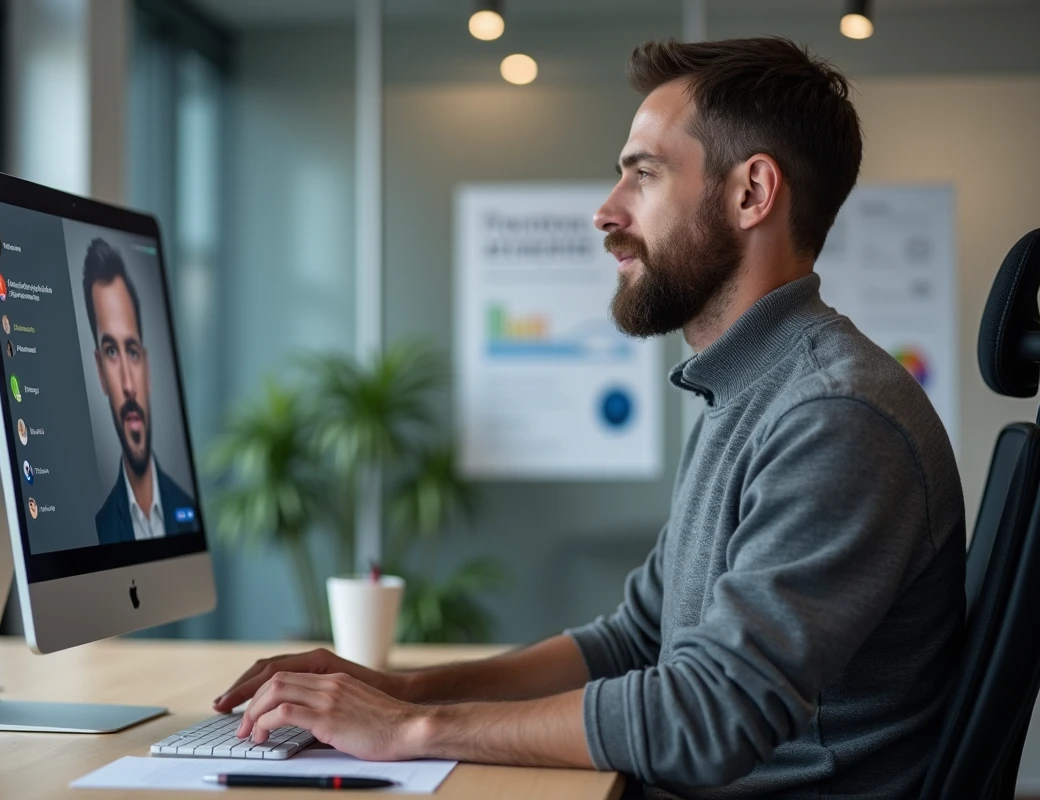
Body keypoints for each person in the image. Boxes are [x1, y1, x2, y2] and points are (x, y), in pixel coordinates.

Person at [211, 37, 964, 799]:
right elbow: (636, 638)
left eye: (645, 173)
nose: (607, 212)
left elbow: (711, 717)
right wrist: (400, 692)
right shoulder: (750, 394)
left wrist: (411, 731)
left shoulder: (834, 417)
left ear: (751, 193)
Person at [81, 237, 195, 545]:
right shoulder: (99, 531)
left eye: (132, 352)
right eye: (111, 352)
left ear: (146, 367)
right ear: (100, 372)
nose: (129, 385)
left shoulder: (188, 510)